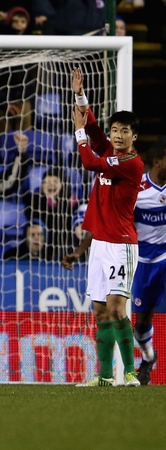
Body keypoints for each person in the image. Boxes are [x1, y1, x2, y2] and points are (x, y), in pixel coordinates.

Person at [61, 67, 144, 387]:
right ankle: (106, 375)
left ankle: (131, 372)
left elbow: (89, 161)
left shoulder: (131, 163)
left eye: (125, 131)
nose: (118, 135)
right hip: (99, 245)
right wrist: (79, 95)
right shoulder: (110, 149)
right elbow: (94, 128)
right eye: (115, 130)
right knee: (99, 311)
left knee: (116, 309)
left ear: (134, 137)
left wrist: (78, 132)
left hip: (122, 245)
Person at [130, 142, 166, 385]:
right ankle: (148, 357)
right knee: (141, 323)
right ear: (157, 163)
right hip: (143, 260)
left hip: (165, 255)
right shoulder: (137, 190)